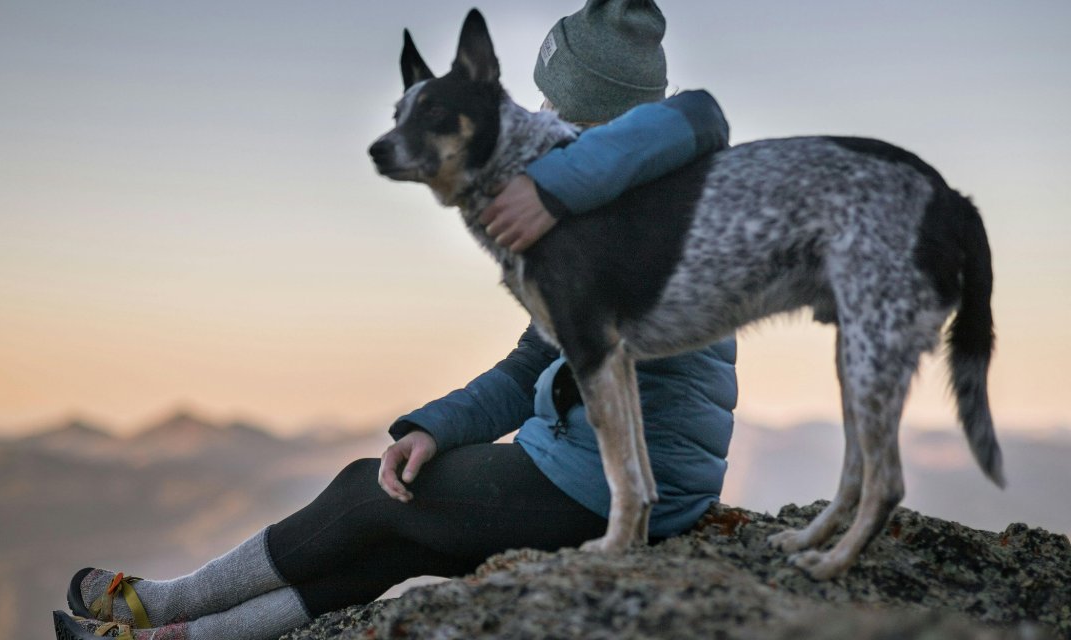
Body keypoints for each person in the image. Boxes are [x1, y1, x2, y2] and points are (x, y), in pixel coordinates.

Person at [54, 2, 737, 638]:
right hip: (588, 463)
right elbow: (534, 358)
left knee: (368, 495)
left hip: (621, 484)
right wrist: (434, 427)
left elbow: (701, 121)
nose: (537, 113)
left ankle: (162, 604)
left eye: (553, 101)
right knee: (391, 538)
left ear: (594, 116)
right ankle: (181, 634)